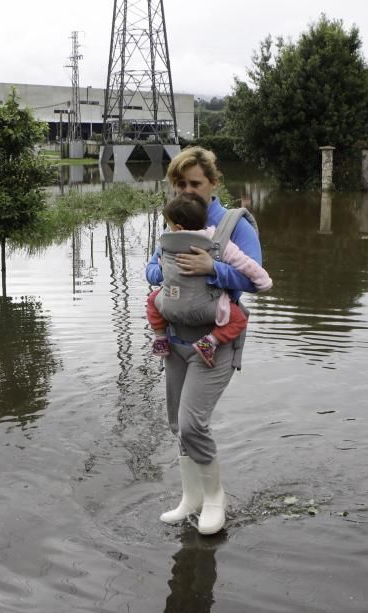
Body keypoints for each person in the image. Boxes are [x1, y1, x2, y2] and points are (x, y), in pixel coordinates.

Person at [145, 146, 264, 535]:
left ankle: (215, 501)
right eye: (180, 184)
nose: (188, 191)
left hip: (214, 341)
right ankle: (189, 498)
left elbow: (255, 280)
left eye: (195, 183)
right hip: (175, 341)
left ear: (214, 183)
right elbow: (151, 267)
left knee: (193, 424)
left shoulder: (234, 226)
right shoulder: (174, 220)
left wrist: (213, 268)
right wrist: (161, 270)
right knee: (177, 424)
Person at [146, 193, 271, 368]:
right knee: (239, 318)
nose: (169, 229)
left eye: (169, 225)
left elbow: (156, 268)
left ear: (178, 227)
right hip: (206, 308)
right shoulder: (214, 240)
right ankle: (209, 343)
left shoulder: (167, 243)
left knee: (152, 300)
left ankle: (160, 337)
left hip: (171, 302)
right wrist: (264, 280)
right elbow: (245, 264)